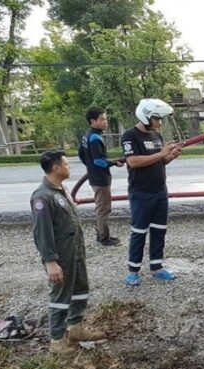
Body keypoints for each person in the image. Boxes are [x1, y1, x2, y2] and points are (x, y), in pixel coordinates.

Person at [31, 150, 105, 354]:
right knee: (60, 296)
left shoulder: (60, 190)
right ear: (56, 168)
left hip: (75, 251)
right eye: (66, 164)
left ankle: (76, 328)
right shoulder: (42, 197)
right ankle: (56, 340)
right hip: (60, 255)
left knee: (81, 289)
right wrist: (50, 262)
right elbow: (42, 232)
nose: (69, 167)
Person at [122, 99, 182, 287]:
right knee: (139, 231)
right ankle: (133, 271)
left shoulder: (156, 136)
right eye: (157, 118)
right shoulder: (130, 136)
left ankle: (156, 267)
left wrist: (170, 156)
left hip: (160, 191)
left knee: (159, 230)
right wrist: (161, 153)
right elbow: (133, 162)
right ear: (146, 116)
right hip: (141, 192)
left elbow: (159, 161)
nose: (159, 122)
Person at [78, 107, 124, 246]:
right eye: (102, 119)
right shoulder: (95, 138)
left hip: (94, 176)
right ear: (93, 121)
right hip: (100, 178)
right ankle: (104, 238)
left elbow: (81, 155)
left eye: (106, 119)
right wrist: (114, 163)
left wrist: (90, 167)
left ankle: (101, 234)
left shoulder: (86, 135)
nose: (106, 122)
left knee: (100, 206)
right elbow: (98, 161)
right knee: (104, 208)